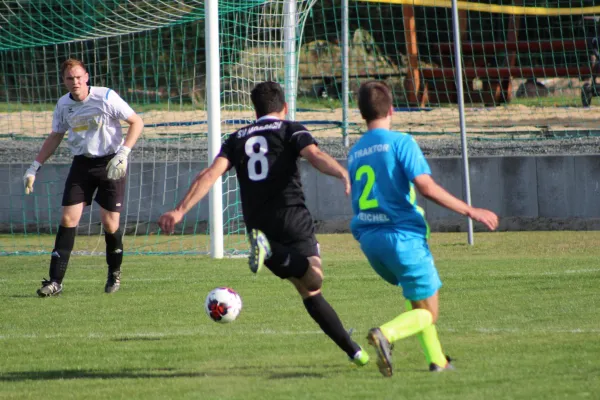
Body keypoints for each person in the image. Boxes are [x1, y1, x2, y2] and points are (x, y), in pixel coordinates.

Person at [158, 81, 369, 367]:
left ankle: (353, 351)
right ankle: (271, 252)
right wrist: (342, 173)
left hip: (257, 224)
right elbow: (315, 156)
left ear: (255, 110)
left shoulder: (236, 138)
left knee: (308, 290)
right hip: (291, 215)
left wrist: (180, 210)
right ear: (284, 107)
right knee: (315, 279)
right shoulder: (290, 129)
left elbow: (209, 175)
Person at [348, 81, 498, 377]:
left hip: (370, 240)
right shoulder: (401, 142)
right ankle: (386, 334)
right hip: (402, 238)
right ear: (392, 109)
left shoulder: (355, 152)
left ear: (361, 113)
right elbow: (426, 187)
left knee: (414, 296)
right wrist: (470, 210)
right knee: (428, 313)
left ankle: (438, 361)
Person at [24, 58, 144, 297]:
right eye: (70, 78)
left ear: (87, 77)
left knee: (110, 224)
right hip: (82, 165)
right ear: (64, 81)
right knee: (68, 219)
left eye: (79, 77)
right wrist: (34, 166)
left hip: (111, 163)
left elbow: (136, 122)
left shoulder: (106, 97)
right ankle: (55, 281)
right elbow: (56, 136)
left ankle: (114, 272)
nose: (75, 82)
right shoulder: (63, 105)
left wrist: (124, 153)